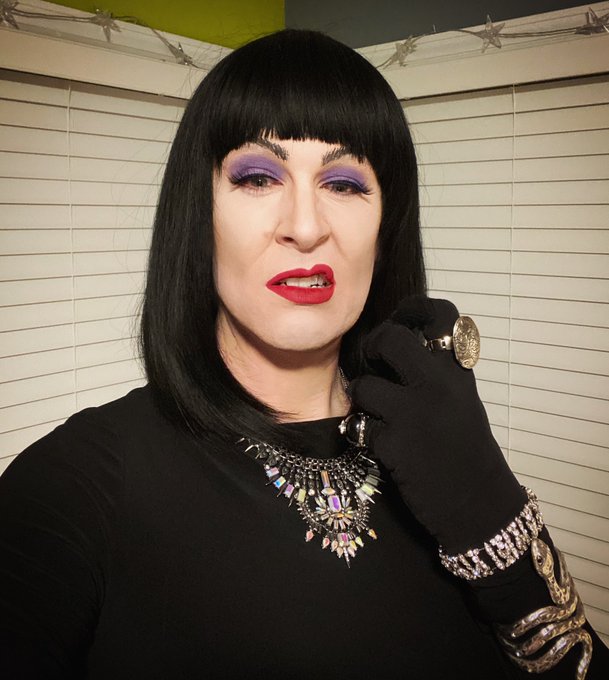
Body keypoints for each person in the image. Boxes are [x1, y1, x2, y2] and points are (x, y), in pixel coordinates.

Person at [0, 28, 606, 680]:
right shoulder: (74, 484)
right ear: (199, 215)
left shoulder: (439, 449)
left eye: (343, 184)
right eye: (258, 177)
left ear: (384, 227)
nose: (306, 226)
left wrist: (491, 512)